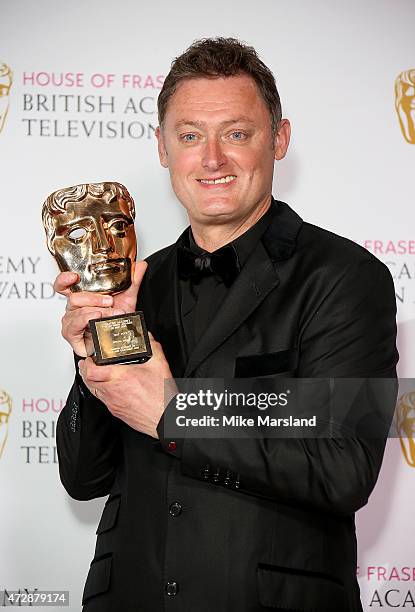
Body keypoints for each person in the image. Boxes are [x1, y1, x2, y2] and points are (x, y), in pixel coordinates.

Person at [54, 38, 398, 612]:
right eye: (189, 136)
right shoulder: (136, 282)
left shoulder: (348, 277)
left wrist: (173, 412)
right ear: (163, 148)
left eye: (237, 133)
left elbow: (345, 469)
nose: (212, 159)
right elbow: (84, 477)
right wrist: (96, 349)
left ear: (280, 139)